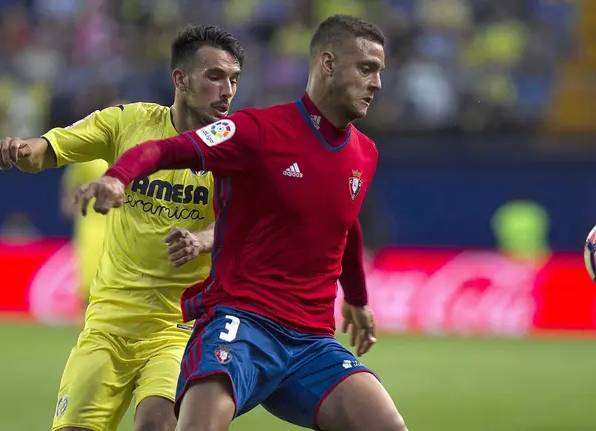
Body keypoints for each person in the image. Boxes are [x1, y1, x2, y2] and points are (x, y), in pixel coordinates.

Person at [75, 14, 406, 431]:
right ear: (327, 64)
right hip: (241, 325)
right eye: (366, 69)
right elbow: (165, 150)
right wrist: (117, 177)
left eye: (379, 71)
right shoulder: (256, 131)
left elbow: (345, 224)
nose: (376, 82)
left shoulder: (365, 153)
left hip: (312, 343)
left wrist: (356, 299)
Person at [0, 25, 244, 431]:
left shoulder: (235, 149)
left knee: (155, 425)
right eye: (214, 76)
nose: (227, 90)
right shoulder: (126, 122)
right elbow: (45, 151)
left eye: (233, 79)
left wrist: (202, 238)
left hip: (178, 329)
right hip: (109, 322)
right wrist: (20, 149)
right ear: (180, 79)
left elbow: (246, 222)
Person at [61, 158, 109, 307]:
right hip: (91, 226)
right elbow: (71, 183)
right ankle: (86, 327)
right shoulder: (88, 157)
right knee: (88, 283)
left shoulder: (129, 149)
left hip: (122, 226)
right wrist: (69, 201)